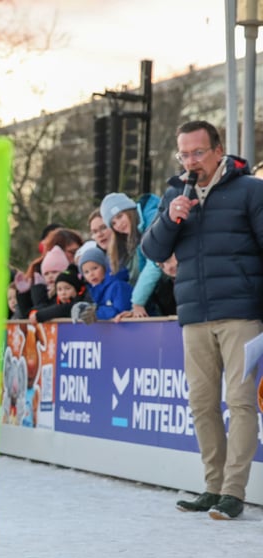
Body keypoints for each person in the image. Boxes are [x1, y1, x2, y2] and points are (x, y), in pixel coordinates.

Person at [141, 119, 263, 520]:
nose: (191, 161)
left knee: (241, 402)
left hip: (241, 313)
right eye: (184, 154)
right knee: (201, 404)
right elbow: (152, 250)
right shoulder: (176, 193)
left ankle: (233, 491)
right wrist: (168, 218)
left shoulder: (250, 190)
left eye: (198, 152)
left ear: (217, 150)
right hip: (194, 315)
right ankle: (212, 487)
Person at [99, 191, 162, 319]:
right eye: (114, 223)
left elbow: (154, 263)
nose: (119, 224)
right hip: (156, 299)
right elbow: (131, 280)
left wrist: (137, 303)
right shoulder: (127, 242)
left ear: (130, 211)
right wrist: (128, 308)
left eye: (120, 216)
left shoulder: (152, 218)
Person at [77, 246, 132, 321]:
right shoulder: (94, 291)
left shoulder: (118, 286)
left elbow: (121, 312)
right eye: (86, 272)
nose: (91, 274)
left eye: (95, 268)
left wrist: (97, 312)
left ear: (104, 267)